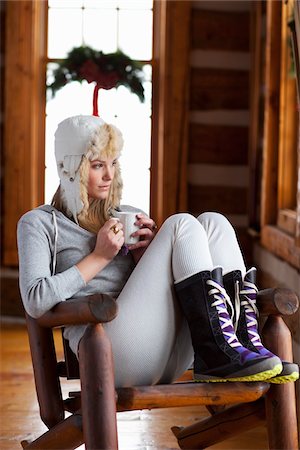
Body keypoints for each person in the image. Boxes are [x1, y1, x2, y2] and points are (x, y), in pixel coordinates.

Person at [17, 115, 298, 387]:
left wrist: (145, 257)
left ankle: (242, 345)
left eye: (114, 163)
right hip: (108, 350)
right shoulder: (39, 223)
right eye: (97, 165)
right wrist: (99, 257)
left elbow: (147, 294)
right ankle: (218, 353)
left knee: (215, 222)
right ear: (70, 168)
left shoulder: (129, 216)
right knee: (181, 224)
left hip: (173, 350)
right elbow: (35, 300)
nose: (109, 175)